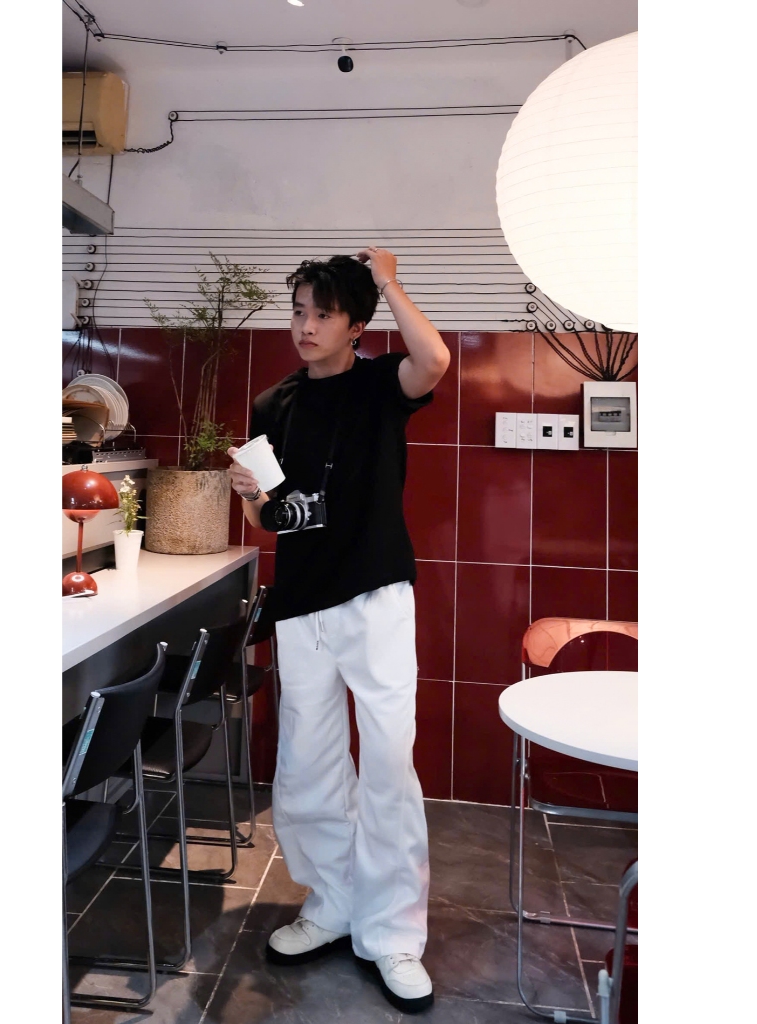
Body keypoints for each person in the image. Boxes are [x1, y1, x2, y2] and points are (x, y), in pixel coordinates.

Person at [226, 248, 450, 1014]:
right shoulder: (273, 405)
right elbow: (270, 516)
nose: (305, 326)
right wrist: (249, 497)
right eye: (298, 311)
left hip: (377, 597)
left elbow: (436, 359)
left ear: (356, 324)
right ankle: (332, 903)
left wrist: (388, 278)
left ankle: (393, 933)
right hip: (302, 604)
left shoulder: (383, 385)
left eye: (322, 313)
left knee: (387, 762)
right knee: (308, 763)